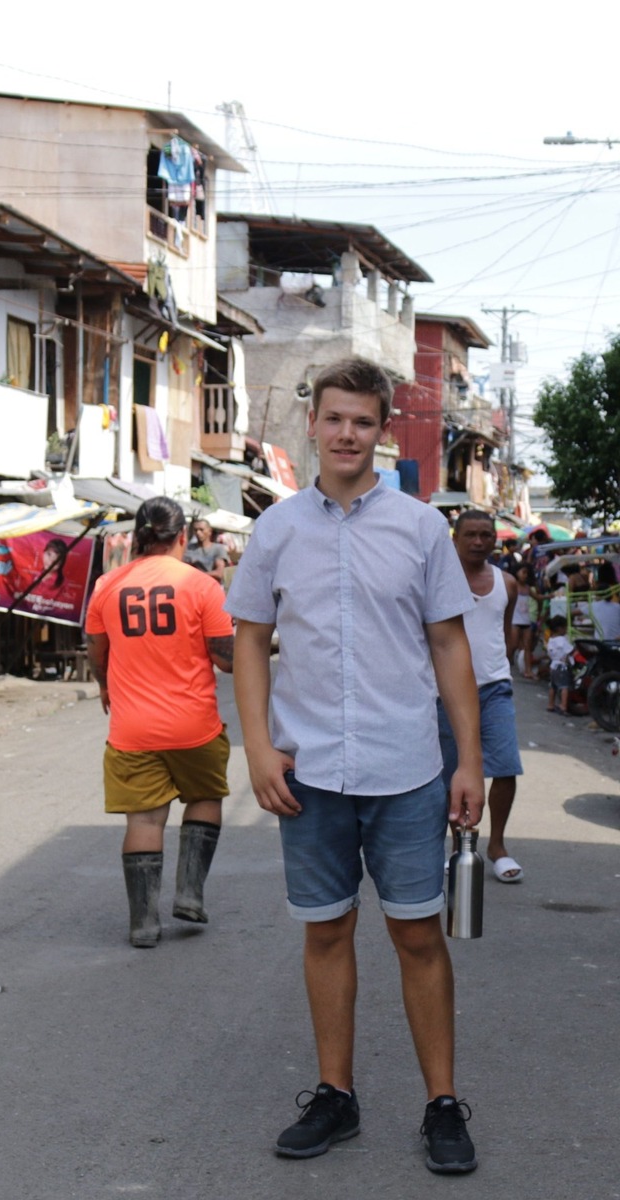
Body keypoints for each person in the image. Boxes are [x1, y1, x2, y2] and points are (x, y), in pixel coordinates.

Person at [225, 356, 484, 1175]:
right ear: (313, 424)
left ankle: (442, 1104)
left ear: (382, 431)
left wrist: (468, 760)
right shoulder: (276, 529)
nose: (347, 434)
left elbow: (450, 644)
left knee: (417, 935)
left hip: (406, 766)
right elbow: (249, 640)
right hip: (308, 773)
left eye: (363, 422)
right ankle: (335, 1094)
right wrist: (259, 746)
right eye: (335, 419)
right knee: (327, 930)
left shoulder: (417, 528)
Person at [84, 497, 234, 948]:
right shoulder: (202, 586)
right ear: (183, 537)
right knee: (205, 796)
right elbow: (225, 659)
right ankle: (189, 892)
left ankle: (144, 923)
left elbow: (95, 647)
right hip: (195, 725)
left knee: (145, 821)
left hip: (132, 730)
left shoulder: (108, 585)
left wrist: (105, 686)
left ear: (138, 535)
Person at [437, 510, 524, 883]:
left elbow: (505, 635)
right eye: (470, 535)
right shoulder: (438, 582)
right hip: (444, 693)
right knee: (450, 774)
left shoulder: (507, 583)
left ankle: (497, 846)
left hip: (494, 689)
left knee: (505, 768)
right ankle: (460, 848)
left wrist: (494, 667)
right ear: (455, 538)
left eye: (485, 535)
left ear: (495, 540)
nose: (477, 542)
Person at [511, 564, 538, 679]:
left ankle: (528, 670)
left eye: (527, 573)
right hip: (515, 620)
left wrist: (550, 596)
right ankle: (505, 666)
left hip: (526, 621)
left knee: (527, 647)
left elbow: (538, 597)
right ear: (517, 572)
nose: (525, 575)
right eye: (523, 572)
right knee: (513, 645)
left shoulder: (527, 588)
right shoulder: (512, 586)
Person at [183, 518, 230, 583]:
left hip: (211, 586)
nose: (198, 532)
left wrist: (197, 576)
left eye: (201, 530)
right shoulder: (189, 548)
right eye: (196, 530)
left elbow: (219, 573)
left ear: (209, 531)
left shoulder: (217, 548)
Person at [545, 615, 574, 715]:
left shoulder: (551, 640)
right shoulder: (562, 640)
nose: (566, 630)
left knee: (553, 686)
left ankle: (550, 704)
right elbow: (571, 650)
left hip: (553, 666)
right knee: (564, 686)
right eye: (565, 627)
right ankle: (563, 705)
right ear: (560, 628)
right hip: (562, 667)